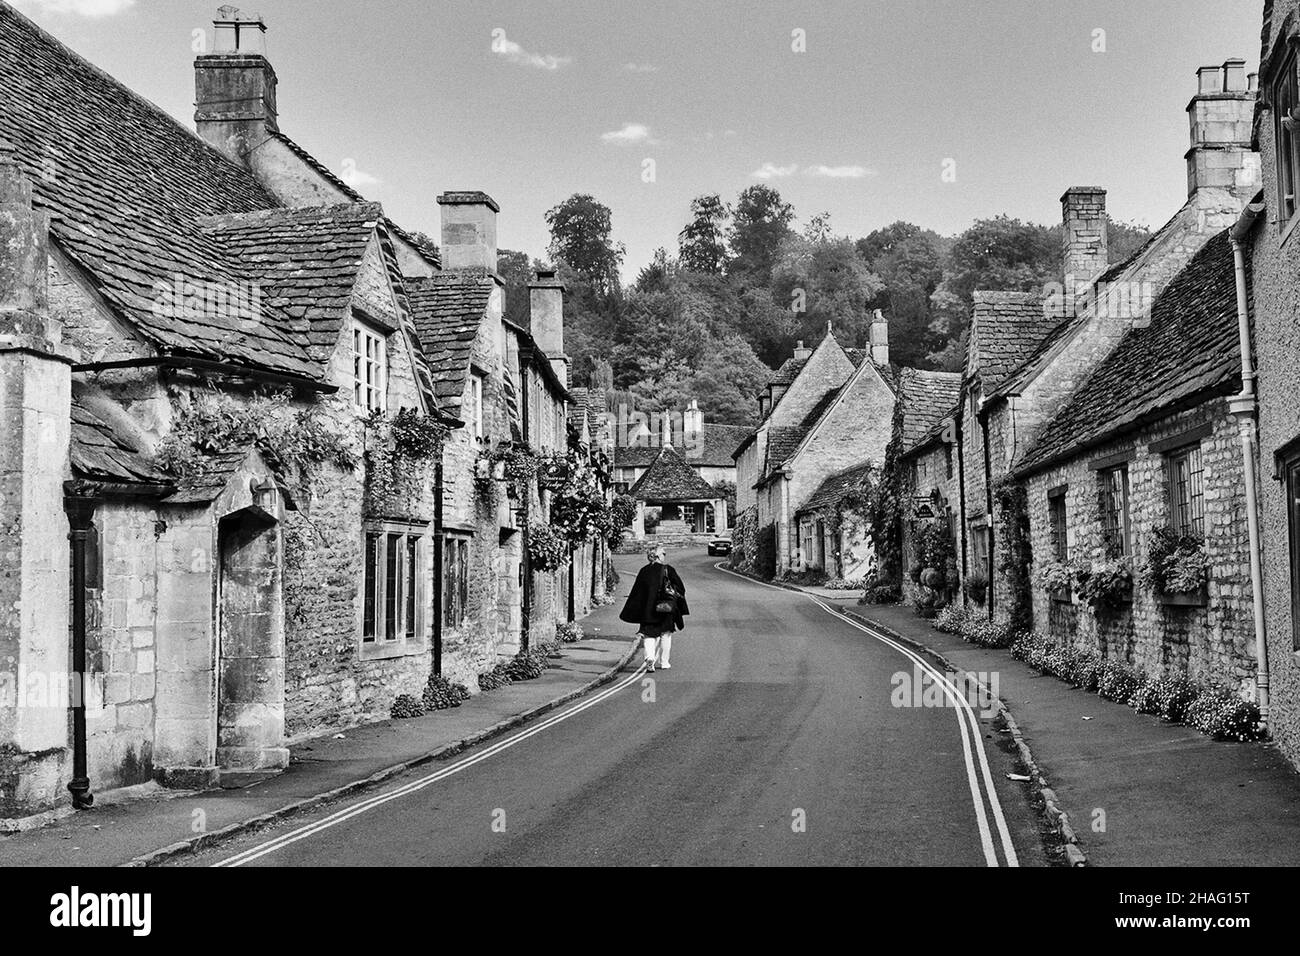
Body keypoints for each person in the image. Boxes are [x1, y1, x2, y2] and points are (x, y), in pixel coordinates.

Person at [618, 545, 689, 672]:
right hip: (665, 608)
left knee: (649, 635)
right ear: (657, 556)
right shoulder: (668, 569)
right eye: (663, 553)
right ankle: (664, 662)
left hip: (648, 610)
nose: (664, 555)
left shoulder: (643, 571)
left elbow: (636, 593)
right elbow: (680, 588)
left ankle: (650, 658)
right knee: (665, 635)